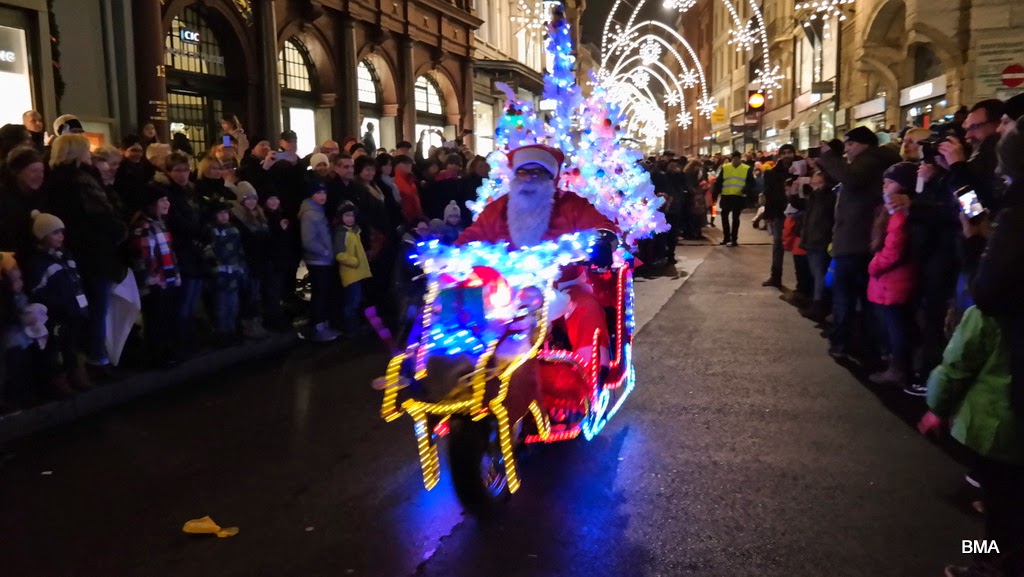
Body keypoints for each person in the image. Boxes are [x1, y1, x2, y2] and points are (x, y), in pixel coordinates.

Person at [456, 144, 618, 368]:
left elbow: (603, 226)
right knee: (459, 306)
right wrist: (454, 258)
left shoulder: (571, 205)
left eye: (538, 172)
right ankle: (456, 373)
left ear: (551, 177)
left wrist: (600, 242)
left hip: (562, 285)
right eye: (523, 172)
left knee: (586, 308)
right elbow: (470, 238)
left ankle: (590, 372)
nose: (530, 178)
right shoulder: (499, 208)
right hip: (504, 289)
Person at [918, 305, 1022, 577]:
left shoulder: (990, 309)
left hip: (999, 424)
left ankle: (989, 565)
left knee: (1001, 510)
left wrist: (936, 407)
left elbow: (957, 365)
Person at [43, 134, 127, 377]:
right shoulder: (83, 180)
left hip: (69, 252)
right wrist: (118, 231)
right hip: (95, 253)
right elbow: (102, 217)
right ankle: (97, 359)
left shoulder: (53, 181)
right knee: (98, 307)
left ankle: (78, 362)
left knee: (78, 310)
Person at [817, 127, 891, 358]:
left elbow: (850, 178)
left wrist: (829, 156)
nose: (847, 149)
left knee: (846, 296)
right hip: (856, 241)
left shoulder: (868, 162)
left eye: (850, 144)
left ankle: (845, 342)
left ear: (863, 145)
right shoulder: (868, 163)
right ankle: (863, 342)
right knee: (859, 298)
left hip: (855, 242)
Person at [22, 210, 91, 392]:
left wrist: (81, 305)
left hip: (74, 311)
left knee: (72, 344)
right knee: (56, 348)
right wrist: (54, 307)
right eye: (55, 232)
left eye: (61, 232)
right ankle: (57, 378)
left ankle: (74, 371)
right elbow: (38, 291)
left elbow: (76, 282)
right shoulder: (38, 263)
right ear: (43, 235)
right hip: (57, 315)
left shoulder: (66, 257)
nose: (61, 236)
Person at [866, 162, 919, 386]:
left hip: (892, 280)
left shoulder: (898, 213)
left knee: (896, 325)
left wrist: (874, 265)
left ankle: (898, 368)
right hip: (891, 280)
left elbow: (894, 247)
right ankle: (897, 364)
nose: (884, 185)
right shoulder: (892, 210)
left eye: (890, 181)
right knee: (896, 324)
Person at [128, 187, 181, 365]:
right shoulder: (144, 226)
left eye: (167, 200)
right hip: (156, 282)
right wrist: (152, 280)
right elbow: (145, 257)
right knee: (156, 319)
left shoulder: (159, 223)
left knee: (165, 316)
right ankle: (157, 354)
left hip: (166, 279)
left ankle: (167, 350)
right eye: (162, 200)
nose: (167, 204)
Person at [298, 181, 339, 342]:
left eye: (324, 193)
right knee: (319, 294)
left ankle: (323, 325)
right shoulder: (310, 214)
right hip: (318, 260)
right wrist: (326, 252)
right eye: (318, 193)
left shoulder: (318, 210)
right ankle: (318, 326)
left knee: (323, 292)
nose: (322, 196)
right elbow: (308, 240)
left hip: (323, 259)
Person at [230, 182, 271, 340]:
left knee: (255, 295)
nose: (251, 201)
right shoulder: (238, 218)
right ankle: (249, 327)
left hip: (259, 262)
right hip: (248, 263)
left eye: (253, 197)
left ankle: (256, 324)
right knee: (249, 296)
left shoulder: (259, 216)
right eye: (247, 198)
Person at [203, 201, 246, 345]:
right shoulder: (211, 231)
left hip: (232, 274)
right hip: (219, 275)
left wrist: (240, 267)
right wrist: (213, 267)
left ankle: (231, 331)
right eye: (220, 213)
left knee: (233, 305)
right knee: (221, 305)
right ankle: (221, 333)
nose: (224, 216)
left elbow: (239, 250)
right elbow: (208, 252)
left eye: (226, 213)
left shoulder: (234, 230)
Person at [762, 144, 799, 285]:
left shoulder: (800, 170)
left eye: (789, 152)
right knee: (778, 244)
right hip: (779, 213)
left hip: (798, 213)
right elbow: (769, 196)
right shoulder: (772, 173)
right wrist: (767, 216)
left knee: (797, 246)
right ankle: (775, 276)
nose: (786, 156)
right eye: (784, 153)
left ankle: (801, 282)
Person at [333, 201, 371, 335]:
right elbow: (339, 254)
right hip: (351, 273)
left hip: (358, 272)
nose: (350, 218)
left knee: (356, 300)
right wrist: (354, 261)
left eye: (352, 215)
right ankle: (352, 329)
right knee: (352, 302)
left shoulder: (355, 231)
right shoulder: (342, 233)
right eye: (347, 215)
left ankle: (356, 326)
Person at [713, 151, 754, 247]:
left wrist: (746, 190)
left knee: (735, 218)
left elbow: (751, 182)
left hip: (738, 196)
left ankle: (734, 239)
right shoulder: (726, 167)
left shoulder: (746, 168)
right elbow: (719, 182)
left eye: (737, 159)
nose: (735, 161)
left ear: (740, 159)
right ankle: (726, 237)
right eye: (734, 159)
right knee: (724, 217)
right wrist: (715, 195)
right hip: (726, 195)